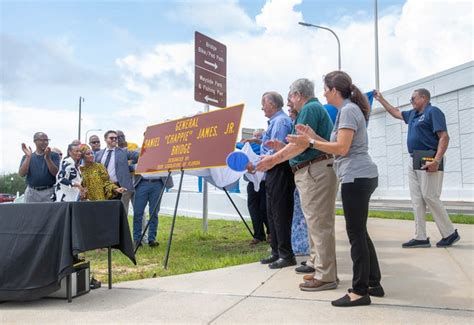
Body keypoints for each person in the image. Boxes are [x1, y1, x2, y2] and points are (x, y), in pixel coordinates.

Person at [288, 71, 383, 307]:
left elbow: (341, 148)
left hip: (356, 176)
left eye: (325, 89)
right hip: (359, 175)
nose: (323, 94)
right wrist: (314, 136)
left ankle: (360, 291)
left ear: (333, 90)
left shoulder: (349, 110)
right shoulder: (347, 110)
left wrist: (310, 142)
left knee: (356, 234)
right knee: (360, 231)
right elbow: (334, 147)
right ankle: (373, 282)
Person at [257, 79, 338, 291]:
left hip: (315, 169)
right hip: (311, 169)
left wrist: (273, 159)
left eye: (291, 96)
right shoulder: (311, 109)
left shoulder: (309, 109)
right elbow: (300, 145)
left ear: (298, 95)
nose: (289, 102)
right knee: (315, 222)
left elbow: (300, 146)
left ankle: (326, 275)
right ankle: (316, 263)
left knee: (319, 224)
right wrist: (282, 149)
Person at [374, 89, 460, 248]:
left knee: (430, 196)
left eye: (413, 98)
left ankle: (449, 233)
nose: (411, 100)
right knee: (417, 199)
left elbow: (444, 137)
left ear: (424, 98)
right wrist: (381, 99)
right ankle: (420, 236)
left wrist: (436, 160)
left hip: (429, 157)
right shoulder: (413, 114)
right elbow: (396, 112)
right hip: (414, 158)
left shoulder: (433, 112)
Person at [253, 91, 296, 269]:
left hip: (280, 170)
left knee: (280, 213)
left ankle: (286, 255)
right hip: (273, 171)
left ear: (271, 104)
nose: (262, 107)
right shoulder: (275, 122)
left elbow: (279, 153)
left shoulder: (281, 122)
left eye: (263, 103)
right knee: (272, 213)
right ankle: (277, 252)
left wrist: (261, 161)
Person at [286, 94, 309, 256]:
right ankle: (299, 246)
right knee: (299, 212)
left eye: (290, 107)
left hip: (307, 172)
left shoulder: (304, 118)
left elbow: (300, 146)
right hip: (298, 173)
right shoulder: (294, 123)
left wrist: (274, 158)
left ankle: (304, 247)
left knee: (304, 214)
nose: (289, 109)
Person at [95, 130, 139, 214]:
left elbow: (139, 156)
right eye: (111, 138)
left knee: (120, 213)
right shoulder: (98, 154)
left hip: (120, 187)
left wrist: (131, 167)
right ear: (105, 139)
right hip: (103, 187)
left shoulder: (124, 152)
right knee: (103, 212)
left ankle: (120, 227)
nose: (114, 140)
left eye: (116, 138)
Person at [238, 129, 269, 245]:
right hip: (252, 183)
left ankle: (271, 233)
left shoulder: (265, 149)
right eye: (254, 136)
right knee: (253, 209)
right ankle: (259, 235)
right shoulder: (246, 149)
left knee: (264, 208)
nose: (256, 138)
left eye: (259, 136)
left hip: (264, 182)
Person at [19, 132, 60, 202]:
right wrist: (28, 157)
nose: (45, 142)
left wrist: (47, 158)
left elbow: (55, 173)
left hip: (49, 191)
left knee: (50, 213)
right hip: (32, 192)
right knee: (30, 213)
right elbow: (22, 174)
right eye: (42, 140)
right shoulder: (27, 156)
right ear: (35, 141)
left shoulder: (54, 155)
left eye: (47, 140)